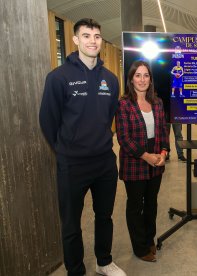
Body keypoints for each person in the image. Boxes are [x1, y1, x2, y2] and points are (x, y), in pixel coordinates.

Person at [39, 18, 126, 276]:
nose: (92, 41)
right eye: (86, 36)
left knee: (104, 217)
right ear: (75, 40)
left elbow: (108, 115)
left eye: (97, 36)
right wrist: (65, 149)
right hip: (72, 164)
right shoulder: (58, 77)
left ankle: (104, 261)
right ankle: (75, 270)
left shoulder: (110, 80)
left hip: (104, 162)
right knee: (71, 224)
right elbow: (48, 120)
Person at [115, 60, 169, 263]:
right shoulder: (123, 104)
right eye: (138, 75)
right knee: (136, 206)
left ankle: (149, 239)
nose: (142, 79)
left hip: (156, 162)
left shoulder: (157, 102)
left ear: (150, 79)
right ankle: (140, 248)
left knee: (152, 204)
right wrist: (146, 156)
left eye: (146, 75)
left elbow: (163, 131)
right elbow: (124, 139)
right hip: (135, 164)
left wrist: (163, 153)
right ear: (131, 79)